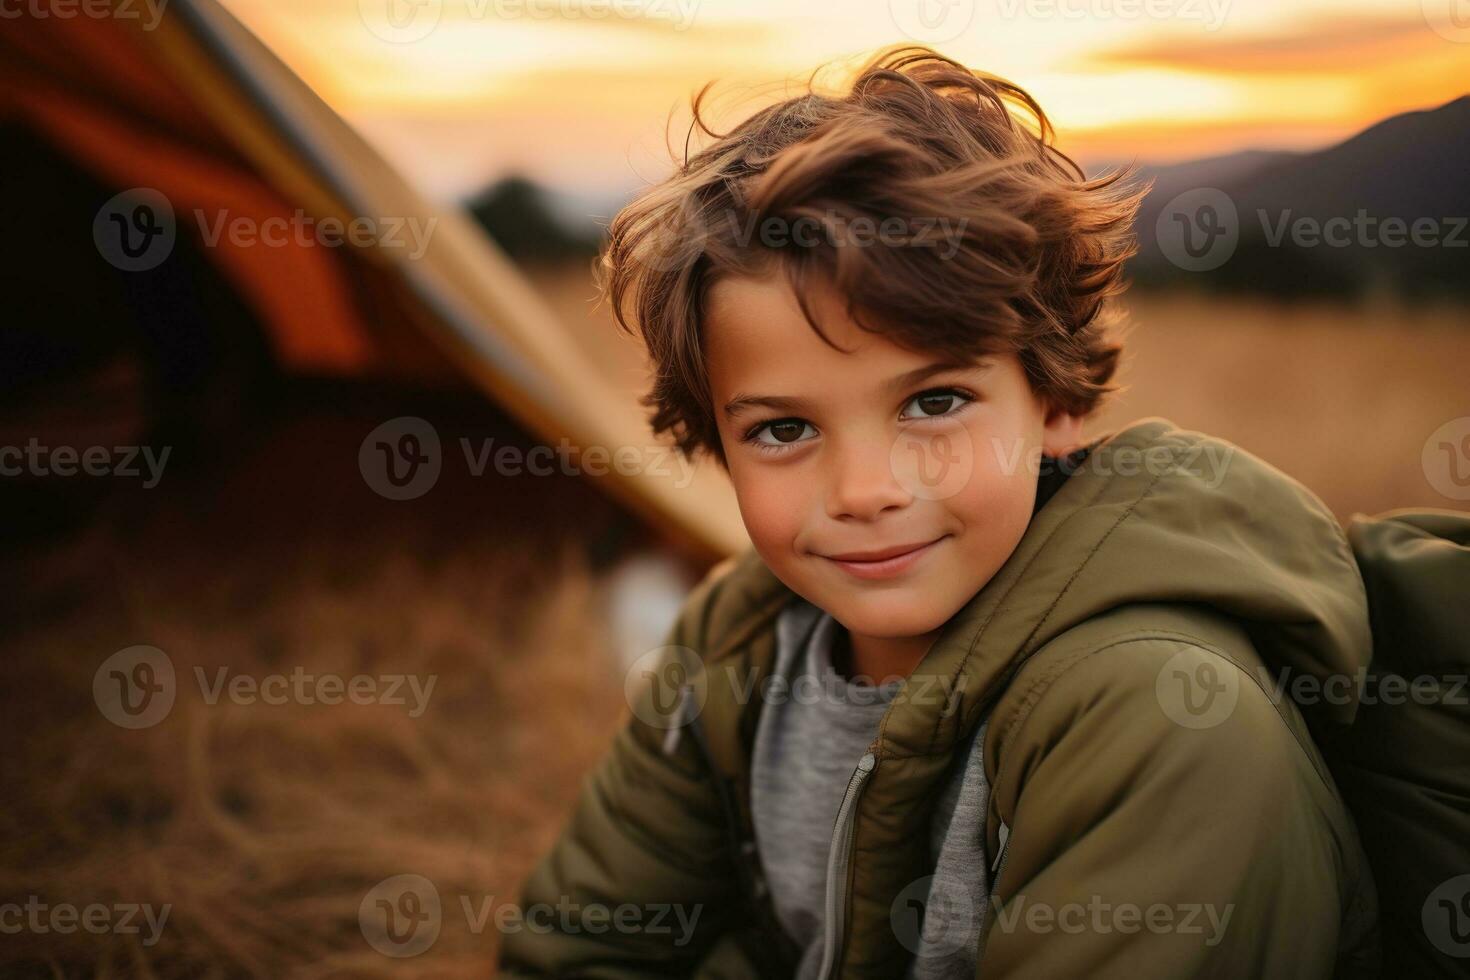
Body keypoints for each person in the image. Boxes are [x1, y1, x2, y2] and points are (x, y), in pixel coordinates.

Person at [498, 44, 1379, 979]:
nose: (864, 490)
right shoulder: (733, 642)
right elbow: (579, 953)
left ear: (1057, 403)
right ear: (716, 442)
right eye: (784, 428)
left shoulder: (1163, 720)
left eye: (934, 403)